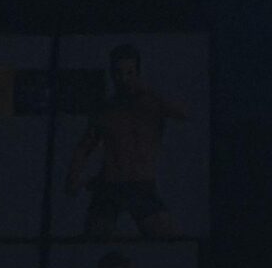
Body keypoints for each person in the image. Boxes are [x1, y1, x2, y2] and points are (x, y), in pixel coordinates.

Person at [67, 42, 187, 238]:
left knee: (168, 238)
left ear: (137, 72)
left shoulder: (151, 104)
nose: (124, 79)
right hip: (110, 183)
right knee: (93, 238)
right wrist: (73, 177)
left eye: (130, 73)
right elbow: (85, 146)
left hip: (141, 183)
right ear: (112, 74)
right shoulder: (106, 110)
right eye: (119, 73)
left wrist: (149, 91)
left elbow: (184, 113)